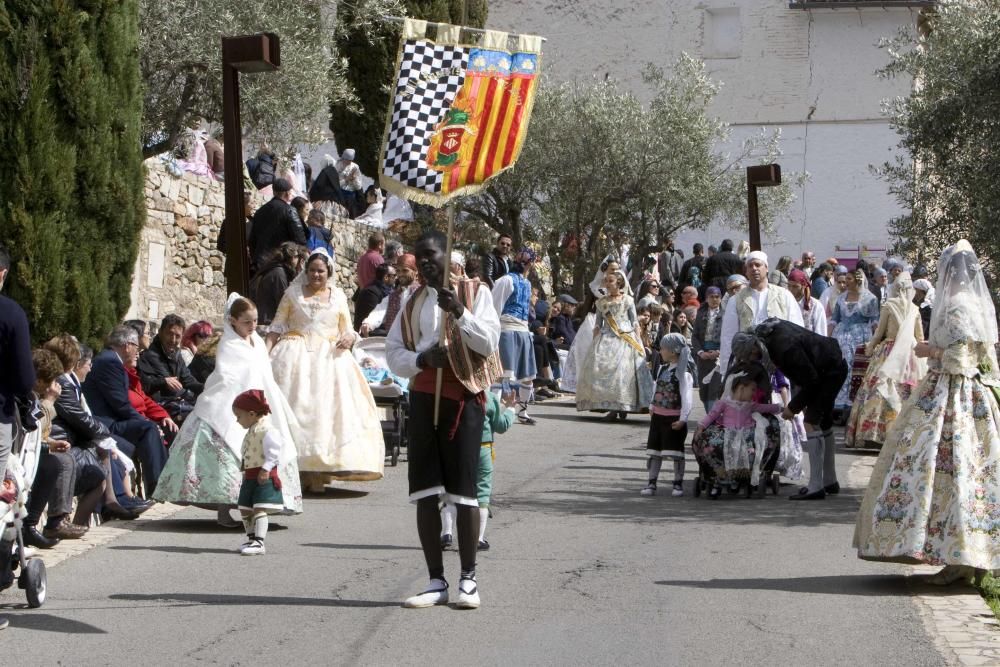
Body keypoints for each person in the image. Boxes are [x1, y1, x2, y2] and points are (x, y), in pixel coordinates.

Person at [854, 240, 1000, 584]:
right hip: (974, 395)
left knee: (946, 471)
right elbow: (985, 358)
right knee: (974, 473)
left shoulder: (954, 305)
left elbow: (959, 359)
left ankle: (958, 558)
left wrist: (926, 349)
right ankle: (973, 557)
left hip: (951, 394)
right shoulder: (979, 303)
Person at [386, 229, 502, 610]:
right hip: (422, 397)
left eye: (430, 255)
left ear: (448, 254)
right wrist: (421, 360)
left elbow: (487, 343)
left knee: (464, 492)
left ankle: (468, 578)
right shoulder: (412, 298)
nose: (423, 263)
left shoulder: (475, 292)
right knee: (424, 491)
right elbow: (393, 351)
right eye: (418, 257)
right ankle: (436, 580)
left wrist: (459, 312)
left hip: (462, 400)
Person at [153, 295, 303, 520]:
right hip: (230, 404)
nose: (252, 326)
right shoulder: (228, 344)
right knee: (225, 455)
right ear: (233, 321)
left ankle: (260, 504)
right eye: (246, 322)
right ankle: (224, 509)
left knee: (265, 450)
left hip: (260, 402)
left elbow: (262, 371)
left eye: (254, 321)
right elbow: (227, 376)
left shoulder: (258, 342)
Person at [268, 249, 385, 491]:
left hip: (329, 358)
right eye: (312, 270)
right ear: (306, 271)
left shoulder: (338, 296)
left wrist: (349, 339)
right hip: (294, 355)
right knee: (295, 409)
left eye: (320, 270)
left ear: (328, 271)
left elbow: (348, 328)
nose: (316, 274)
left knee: (325, 414)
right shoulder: (292, 294)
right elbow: (277, 325)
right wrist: (263, 353)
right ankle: (293, 468)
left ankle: (320, 471)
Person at [751, 318, 847, 500]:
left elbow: (812, 381)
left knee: (811, 422)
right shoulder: (770, 333)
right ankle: (829, 481)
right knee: (824, 421)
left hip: (829, 371)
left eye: (753, 354)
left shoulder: (784, 348)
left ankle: (816, 486)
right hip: (830, 365)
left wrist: (792, 408)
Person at [83, 326, 170, 496]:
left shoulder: (110, 360)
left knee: (151, 428)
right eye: (137, 347)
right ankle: (159, 488)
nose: (139, 351)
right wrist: (145, 421)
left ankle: (160, 486)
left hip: (111, 420)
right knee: (149, 429)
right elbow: (121, 404)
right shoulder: (110, 362)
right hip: (106, 423)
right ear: (127, 345)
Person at [846, 272, 925, 449]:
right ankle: (903, 433)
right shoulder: (915, 309)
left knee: (878, 389)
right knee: (905, 390)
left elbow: (879, 333)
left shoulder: (889, 306)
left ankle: (874, 432)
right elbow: (919, 337)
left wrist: (869, 348)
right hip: (908, 355)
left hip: (889, 352)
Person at [439, 389, 516, 551]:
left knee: (452, 489)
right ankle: (478, 538)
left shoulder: (452, 393)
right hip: (483, 450)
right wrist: (510, 409)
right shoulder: (490, 398)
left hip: (457, 448)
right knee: (482, 493)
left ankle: (446, 533)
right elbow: (501, 426)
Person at [576, 270, 654, 420]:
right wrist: (594, 342)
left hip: (625, 338)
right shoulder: (602, 302)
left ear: (619, 283)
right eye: (606, 281)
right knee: (603, 369)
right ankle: (611, 405)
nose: (607, 284)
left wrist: (639, 342)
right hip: (606, 336)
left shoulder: (628, 300)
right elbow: (598, 324)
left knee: (623, 373)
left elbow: (635, 323)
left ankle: (623, 405)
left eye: (610, 281)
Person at [693, 374, 783, 498]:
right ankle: (717, 480)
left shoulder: (751, 405)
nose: (754, 393)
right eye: (752, 389)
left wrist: (783, 408)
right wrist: (701, 426)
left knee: (750, 451)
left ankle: (742, 477)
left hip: (746, 434)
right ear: (741, 388)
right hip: (727, 433)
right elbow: (712, 415)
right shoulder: (724, 403)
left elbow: (767, 407)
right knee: (720, 449)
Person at [719, 251, 804, 372]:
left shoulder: (784, 295)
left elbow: (797, 328)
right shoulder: (736, 300)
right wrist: (725, 368)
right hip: (748, 361)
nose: (754, 268)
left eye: (758, 265)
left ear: (767, 268)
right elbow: (728, 336)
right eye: (750, 266)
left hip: (779, 361)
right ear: (746, 271)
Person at [231, 390, 285, 556]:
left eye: (239, 416)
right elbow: (248, 450)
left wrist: (266, 469)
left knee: (259, 508)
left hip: (263, 475)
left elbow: (274, 453)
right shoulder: (252, 430)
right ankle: (251, 537)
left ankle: (259, 542)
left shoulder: (267, 430)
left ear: (252, 414)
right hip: (250, 475)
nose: (237, 420)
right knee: (245, 507)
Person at [491, 248, 540, 425]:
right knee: (502, 374)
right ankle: (493, 411)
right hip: (507, 330)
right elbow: (495, 306)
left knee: (528, 375)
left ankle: (523, 411)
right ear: (530, 263)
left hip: (523, 330)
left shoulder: (526, 283)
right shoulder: (505, 280)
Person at [642, 334, 694, 497]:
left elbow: (686, 398)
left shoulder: (684, 374)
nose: (661, 351)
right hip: (658, 417)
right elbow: (656, 387)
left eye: (663, 348)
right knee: (654, 451)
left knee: (675, 452)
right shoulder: (662, 368)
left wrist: (683, 419)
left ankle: (677, 484)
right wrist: (652, 405)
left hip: (673, 418)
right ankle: (651, 482)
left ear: (673, 351)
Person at [830, 268, 879, 415]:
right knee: (842, 366)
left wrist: (876, 340)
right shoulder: (841, 298)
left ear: (858, 280)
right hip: (841, 336)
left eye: (849, 279)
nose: (845, 283)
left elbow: (875, 320)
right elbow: (834, 319)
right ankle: (839, 404)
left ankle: (854, 404)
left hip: (860, 337)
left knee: (857, 368)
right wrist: (828, 338)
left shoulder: (870, 299)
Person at [138, 314, 204, 421]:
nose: (173, 340)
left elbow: (187, 379)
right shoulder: (149, 355)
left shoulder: (176, 354)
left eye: (177, 336)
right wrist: (163, 382)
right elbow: (147, 385)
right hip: (159, 407)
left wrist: (207, 388)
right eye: (169, 334)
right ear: (160, 332)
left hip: (177, 401)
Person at [248, 178, 308, 272]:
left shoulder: (260, 212)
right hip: (280, 264)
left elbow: (252, 240)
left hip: (259, 264)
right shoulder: (290, 210)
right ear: (287, 193)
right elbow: (300, 240)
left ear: (274, 192)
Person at [361, 253, 419, 337]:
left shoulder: (422, 294)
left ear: (416, 272)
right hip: (394, 345)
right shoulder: (393, 296)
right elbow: (379, 311)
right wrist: (368, 323)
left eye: (405, 270)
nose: (401, 274)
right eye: (398, 271)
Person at [249, 242, 306, 326]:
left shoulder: (275, 268)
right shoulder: (279, 273)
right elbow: (285, 303)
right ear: (293, 258)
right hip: (267, 322)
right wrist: (300, 276)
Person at [692, 286, 724, 412]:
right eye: (711, 297)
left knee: (714, 389)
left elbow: (728, 335)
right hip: (703, 356)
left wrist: (719, 352)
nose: (714, 299)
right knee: (704, 389)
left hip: (718, 357)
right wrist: (700, 352)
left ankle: (712, 420)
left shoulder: (726, 314)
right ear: (706, 298)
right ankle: (708, 414)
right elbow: (695, 336)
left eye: (717, 297)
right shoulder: (701, 314)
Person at [354, 262, 395, 332]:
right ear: (386, 277)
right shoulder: (371, 293)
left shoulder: (388, 292)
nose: (396, 278)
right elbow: (373, 317)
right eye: (394, 275)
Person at [787, 268, 827, 336]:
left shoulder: (815, 305)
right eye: (789, 286)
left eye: (795, 287)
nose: (791, 289)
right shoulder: (785, 302)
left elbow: (820, 332)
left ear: (804, 286)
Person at [336, 149, 365, 218]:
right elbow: (335, 184)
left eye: (350, 160)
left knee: (351, 215)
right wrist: (346, 179)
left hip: (351, 196)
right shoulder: (337, 165)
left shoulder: (355, 167)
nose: (348, 162)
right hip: (339, 194)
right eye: (347, 160)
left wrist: (354, 179)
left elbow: (359, 187)